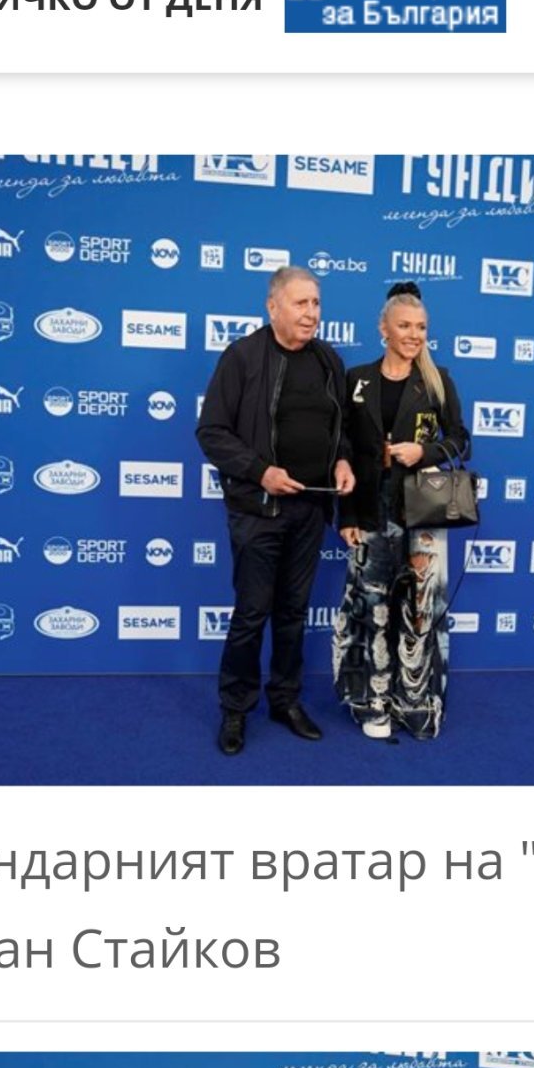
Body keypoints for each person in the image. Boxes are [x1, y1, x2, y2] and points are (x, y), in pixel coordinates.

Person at [196, 268, 355, 756]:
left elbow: (341, 430)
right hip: (259, 510)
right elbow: (212, 432)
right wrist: (260, 471)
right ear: (272, 307)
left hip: (310, 510)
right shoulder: (242, 357)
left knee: (292, 613)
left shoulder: (329, 360)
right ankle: (235, 709)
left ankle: (285, 700)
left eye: (316, 303)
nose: (311, 313)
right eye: (301, 303)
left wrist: (343, 458)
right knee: (251, 613)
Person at [333, 282, 469, 741]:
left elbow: (461, 441)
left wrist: (423, 452)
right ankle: (371, 701)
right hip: (369, 510)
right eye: (405, 326)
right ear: (384, 329)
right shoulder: (357, 379)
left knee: (418, 610)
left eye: (422, 327)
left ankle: (415, 702)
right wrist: (347, 516)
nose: (414, 335)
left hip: (422, 513)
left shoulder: (437, 380)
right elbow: (343, 450)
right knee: (371, 609)